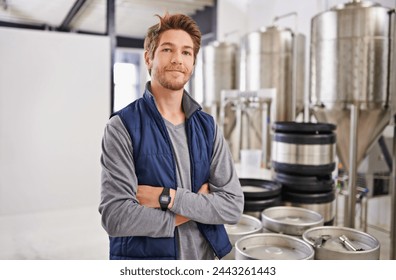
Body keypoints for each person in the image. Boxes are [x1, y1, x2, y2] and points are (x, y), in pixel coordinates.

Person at [99, 13, 244, 260]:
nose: (178, 59)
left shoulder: (208, 127)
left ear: (193, 63)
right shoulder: (122, 126)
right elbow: (116, 217)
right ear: (149, 57)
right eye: (168, 49)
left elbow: (232, 206)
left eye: (187, 52)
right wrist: (198, 207)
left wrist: (166, 198)